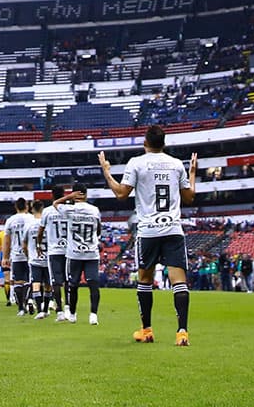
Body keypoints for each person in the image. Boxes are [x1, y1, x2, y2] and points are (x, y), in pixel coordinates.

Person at [98, 124, 198, 346]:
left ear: (145, 142)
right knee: (179, 282)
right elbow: (189, 198)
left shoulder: (136, 163)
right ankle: (182, 333)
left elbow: (121, 194)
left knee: (144, 280)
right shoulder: (175, 164)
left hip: (148, 231)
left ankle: (147, 330)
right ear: (164, 144)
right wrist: (192, 175)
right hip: (173, 229)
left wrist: (106, 171)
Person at [59, 184, 102, 325]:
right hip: (91, 253)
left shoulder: (69, 209)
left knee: (73, 285)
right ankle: (93, 315)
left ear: (74, 194)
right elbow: (98, 229)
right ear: (86, 194)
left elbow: (54, 204)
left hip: (74, 254)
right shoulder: (94, 210)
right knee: (93, 284)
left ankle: (72, 313)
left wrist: (68, 198)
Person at [40, 185, 70, 320]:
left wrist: (38, 245)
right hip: (69, 250)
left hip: (54, 250)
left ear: (52, 195)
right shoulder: (69, 210)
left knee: (56, 282)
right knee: (68, 280)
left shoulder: (47, 211)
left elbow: (41, 231)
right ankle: (69, 308)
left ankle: (59, 311)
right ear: (64, 194)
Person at [3, 198, 33, 316]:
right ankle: (29, 299)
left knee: (18, 281)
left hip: (17, 254)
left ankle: (21, 307)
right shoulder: (31, 218)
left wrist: (5, 257)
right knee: (31, 280)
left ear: (16, 207)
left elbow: (6, 240)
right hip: (31, 254)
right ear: (26, 206)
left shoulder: (11, 220)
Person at [25, 200, 50, 319]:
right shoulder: (48, 223)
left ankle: (40, 310)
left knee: (36, 284)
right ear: (43, 208)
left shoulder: (29, 224)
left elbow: (24, 243)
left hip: (35, 259)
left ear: (32, 209)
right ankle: (45, 309)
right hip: (49, 258)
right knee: (48, 285)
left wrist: (28, 255)